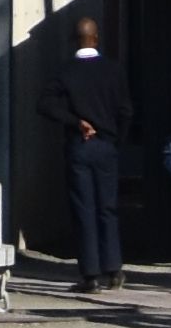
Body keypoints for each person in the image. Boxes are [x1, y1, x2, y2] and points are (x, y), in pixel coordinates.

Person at [53, 15, 132, 291]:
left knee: (84, 209)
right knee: (107, 208)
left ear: (75, 40)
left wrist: (75, 122)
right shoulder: (114, 70)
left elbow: (45, 104)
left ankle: (90, 275)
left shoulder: (66, 71)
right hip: (106, 146)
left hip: (79, 145)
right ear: (96, 38)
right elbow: (126, 111)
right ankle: (113, 269)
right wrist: (115, 141)